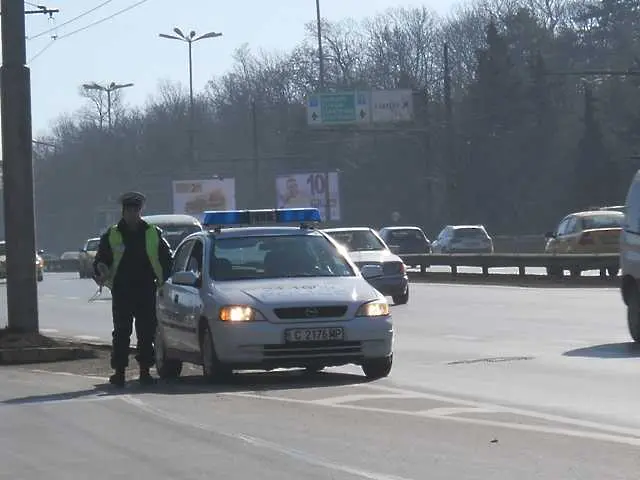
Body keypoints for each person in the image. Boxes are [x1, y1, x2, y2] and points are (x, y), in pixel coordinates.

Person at [93, 191, 172, 387]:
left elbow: (166, 258)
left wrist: (163, 280)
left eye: (135, 210)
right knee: (121, 332)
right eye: (129, 210)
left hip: (146, 288)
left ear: (140, 210)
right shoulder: (112, 234)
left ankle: (145, 372)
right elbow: (100, 260)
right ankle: (119, 372)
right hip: (122, 290)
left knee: (146, 332)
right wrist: (100, 269)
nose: (132, 213)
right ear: (123, 211)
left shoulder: (153, 232)